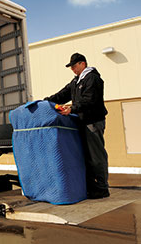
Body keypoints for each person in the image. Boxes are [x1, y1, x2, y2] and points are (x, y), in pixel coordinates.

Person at [44, 53, 109, 199]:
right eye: (71, 67)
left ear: (83, 64)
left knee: (96, 155)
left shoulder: (92, 79)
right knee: (86, 156)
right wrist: (46, 102)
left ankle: (102, 188)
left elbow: (90, 100)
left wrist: (72, 109)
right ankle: (91, 187)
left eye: (74, 66)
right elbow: (62, 94)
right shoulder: (76, 81)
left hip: (92, 122)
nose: (72, 69)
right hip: (81, 122)